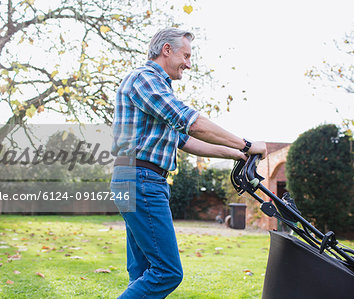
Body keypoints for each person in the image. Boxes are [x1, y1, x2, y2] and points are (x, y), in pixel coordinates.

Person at [110, 27, 267, 298]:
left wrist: (238, 154)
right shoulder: (145, 79)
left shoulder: (156, 87)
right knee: (167, 272)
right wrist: (246, 143)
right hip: (142, 181)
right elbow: (192, 123)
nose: (189, 64)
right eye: (186, 55)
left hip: (136, 179)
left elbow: (186, 141)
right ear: (166, 50)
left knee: (143, 271)